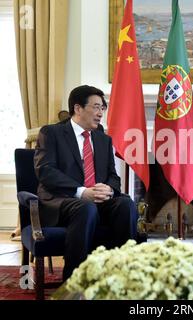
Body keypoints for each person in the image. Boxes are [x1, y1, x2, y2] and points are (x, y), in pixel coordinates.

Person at [34, 85, 138, 280]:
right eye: (96, 107)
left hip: (97, 201)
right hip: (62, 201)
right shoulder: (51, 133)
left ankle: (122, 276)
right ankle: (75, 280)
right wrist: (81, 192)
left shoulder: (102, 139)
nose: (100, 113)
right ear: (78, 108)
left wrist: (109, 189)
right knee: (85, 208)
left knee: (126, 204)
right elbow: (45, 171)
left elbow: (113, 176)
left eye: (103, 108)